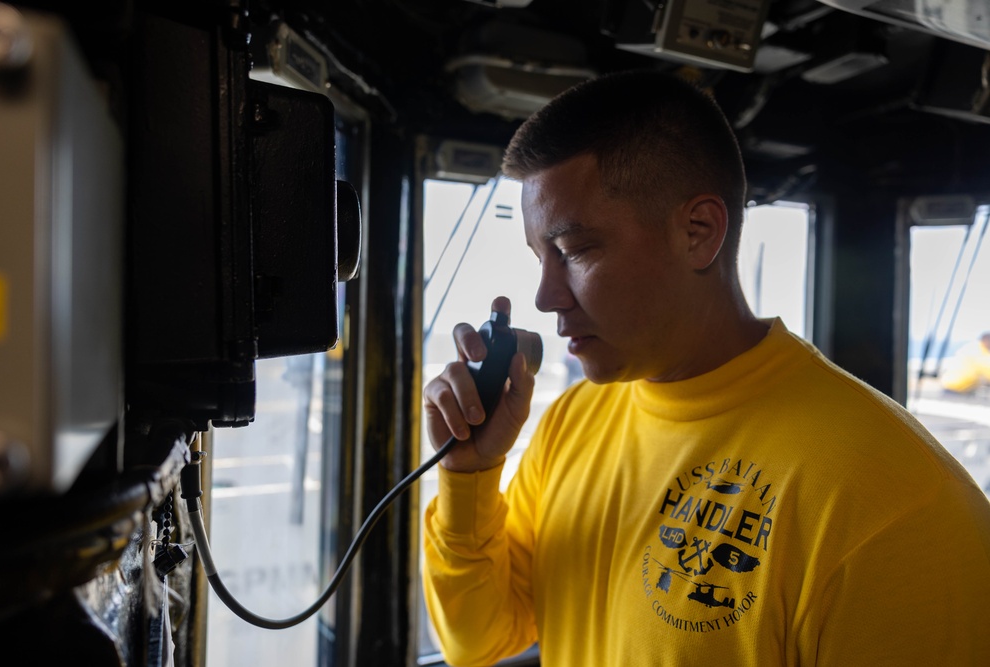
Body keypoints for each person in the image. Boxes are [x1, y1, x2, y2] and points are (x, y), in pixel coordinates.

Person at [421, 69, 990, 666]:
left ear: (699, 232)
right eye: (540, 257)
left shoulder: (899, 509)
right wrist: (470, 475)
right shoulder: (570, 422)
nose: (544, 296)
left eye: (575, 250)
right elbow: (478, 641)